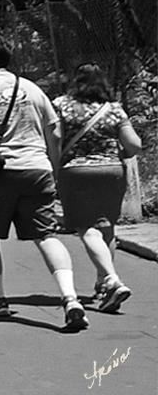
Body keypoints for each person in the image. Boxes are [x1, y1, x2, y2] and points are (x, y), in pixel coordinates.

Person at [0, 36, 88, 331]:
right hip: (37, 168)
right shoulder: (33, 88)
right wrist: (52, 167)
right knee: (46, 236)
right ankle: (70, 298)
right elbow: (55, 132)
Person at [53, 63, 142, 313]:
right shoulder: (114, 109)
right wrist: (118, 153)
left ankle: (113, 280)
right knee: (107, 227)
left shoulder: (61, 105)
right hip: (112, 172)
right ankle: (102, 284)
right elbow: (134, 145)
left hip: (76, 172)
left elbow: (56, 139)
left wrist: (54, 168)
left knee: (87, 229)